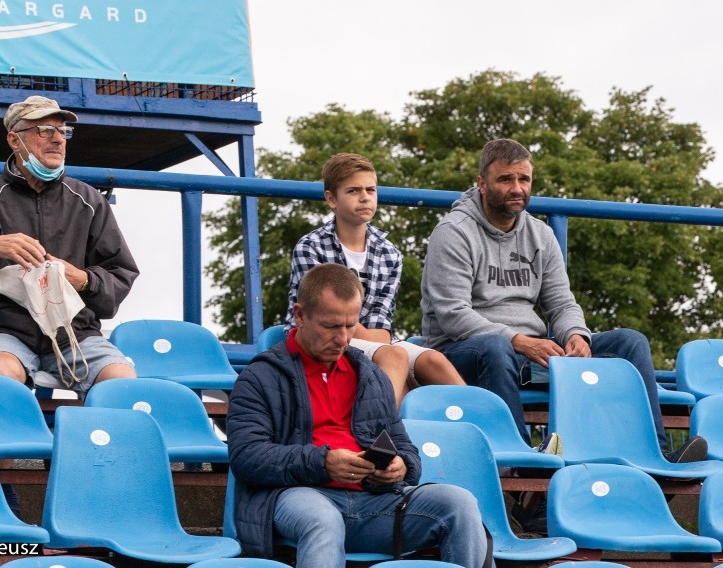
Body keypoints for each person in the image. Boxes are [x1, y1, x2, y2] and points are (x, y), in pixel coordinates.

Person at [420, 137, 707, 532]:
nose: (517, 188)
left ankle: (656, 459)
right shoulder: (453, 232)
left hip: (530, 350)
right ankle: (522, 472)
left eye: (524, 179)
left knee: (629, 342)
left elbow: (561, 301)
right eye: (505, 179)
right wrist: (516, 339)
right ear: (482, 183)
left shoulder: (540, 235)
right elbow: (453, 316)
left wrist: (577, 335)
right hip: (465, 350)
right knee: (494, 347)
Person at [228, 263, 489, 568]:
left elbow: (405, 449)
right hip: (298, 496)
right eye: (330, 326)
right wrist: (323, 463)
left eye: (350, 325)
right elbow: (247, 457)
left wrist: (400, 467)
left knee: (460, 503)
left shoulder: (369, 375)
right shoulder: (259, 377)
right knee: (322, 519)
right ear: (299, 315)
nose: (343, 338)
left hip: (374, 502)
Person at [0, 95, 139, 397]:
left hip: (75, 334)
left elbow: (120, 274)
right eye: (44, 131)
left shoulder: (89, 201)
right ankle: (16, 445)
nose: (57, 140)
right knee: (4, 376)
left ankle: (96, 445)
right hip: (4, 332)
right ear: (15, 140)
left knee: (122, 382)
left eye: (63, 132)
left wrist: (85, 280)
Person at [285, 153, 464, 406]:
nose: (365, 197)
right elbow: (328, 316)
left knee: (434, 360)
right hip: (324, 337)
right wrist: (383, 349)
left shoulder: (389, 252)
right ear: (331, 199)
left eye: (371, 189)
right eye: (353, 190)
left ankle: (484, 427)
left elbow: (382, 320)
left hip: (374, 340)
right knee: (394, 359)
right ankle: (385, 432)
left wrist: (381, 345)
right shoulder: (311, 247)